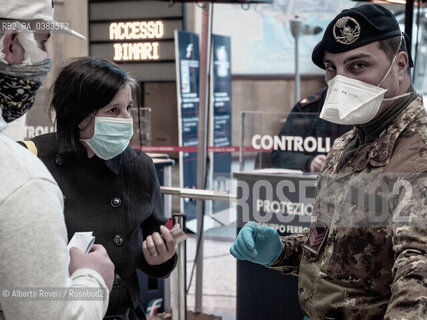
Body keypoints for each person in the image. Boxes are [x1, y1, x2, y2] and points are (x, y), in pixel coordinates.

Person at [230, 4, 427, 320]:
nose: (340, 80)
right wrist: (283, 250)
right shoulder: (344, 147)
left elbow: (418, 273)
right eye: (332, 68)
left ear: (400, 66)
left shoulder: (419, 152)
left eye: (358, 65)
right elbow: (334, 243)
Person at [22, 57, 177, 319]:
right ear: (79, 115)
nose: (127, 120)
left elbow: (152, 241)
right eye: (113, 111)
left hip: (123, 313)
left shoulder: (139, 167)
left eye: (128, 108)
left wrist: (161, 259)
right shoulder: (31, 160)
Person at [0, 1, 115, 319]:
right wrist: (93, 278)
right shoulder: (20, 179)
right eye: (43, 41)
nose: (46, 57)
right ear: (11, 44)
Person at [271, 88, 352, 172]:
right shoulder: (308, 108)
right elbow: (279, 155)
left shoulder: (364, 109)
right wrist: (309, 162)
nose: (340, 76)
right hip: (311, 180)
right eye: (332, 73)